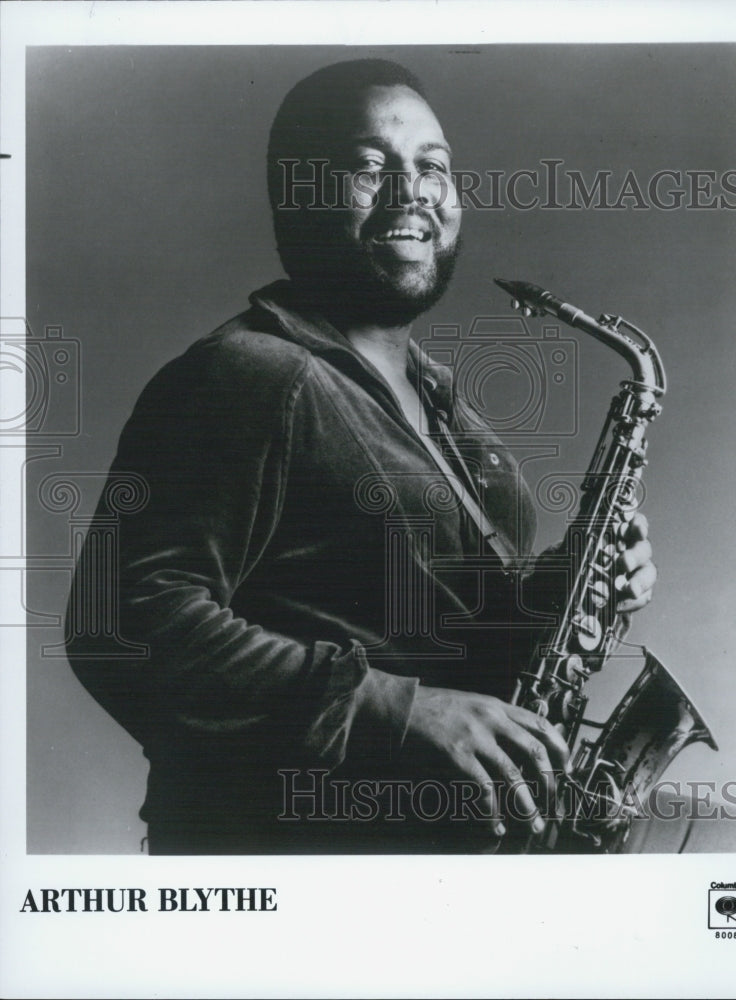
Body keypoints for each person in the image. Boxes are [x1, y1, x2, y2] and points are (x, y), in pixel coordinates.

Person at [66, 59, 656, 854]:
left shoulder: (448, 410)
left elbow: (422, 630)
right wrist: (395, 709)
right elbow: (122, 626)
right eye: (369, 166)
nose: (410, 192)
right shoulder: (245, 375)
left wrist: (565, 589)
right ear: (295, 194)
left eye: (432, 168)